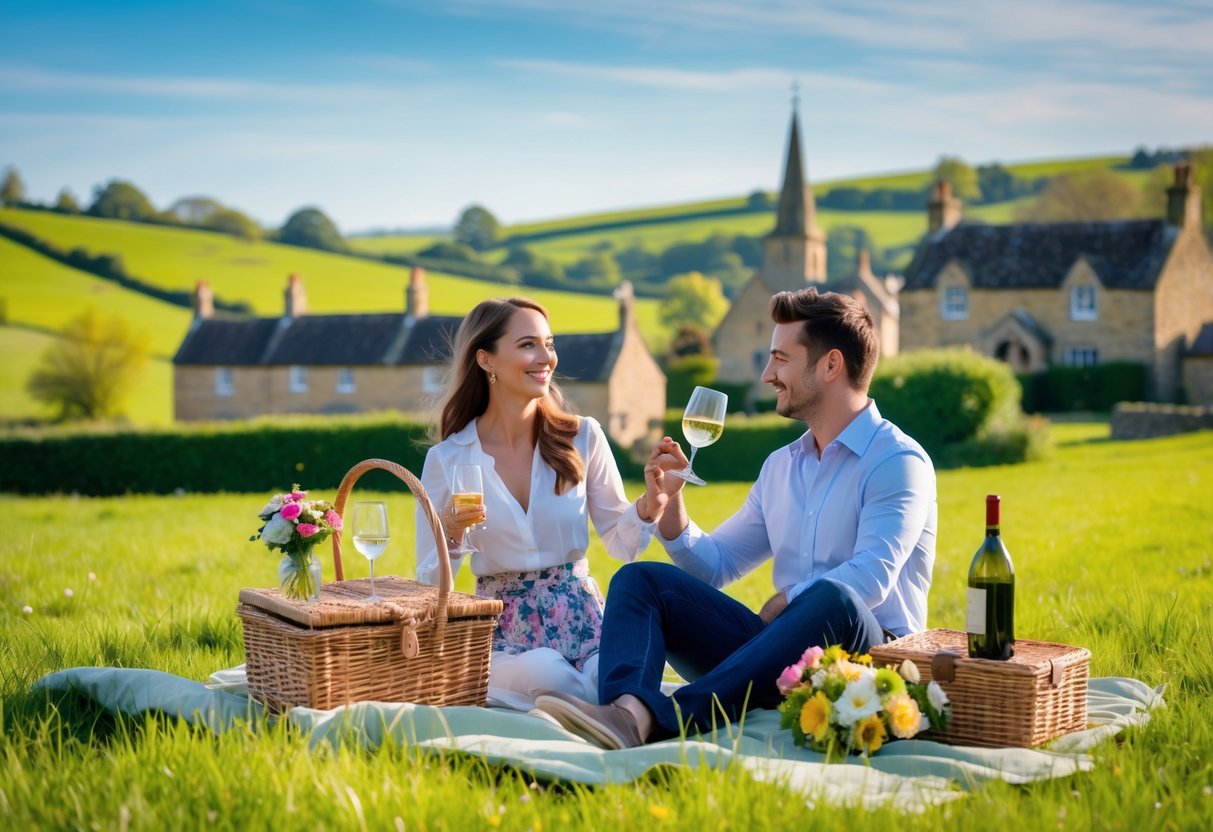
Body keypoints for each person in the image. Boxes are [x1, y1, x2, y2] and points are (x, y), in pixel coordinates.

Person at [535, 287, 937, 749]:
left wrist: (788, 600)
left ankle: (665, 717)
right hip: (777, 662)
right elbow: (717, 566)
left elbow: (872, 578)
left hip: (866, 666)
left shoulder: (897, 461)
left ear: (830, 365)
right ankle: (626, 714)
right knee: (640, 581)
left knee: (836, 599)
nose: (768, 375)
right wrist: (670, 508)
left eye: (781, 359)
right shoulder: (781, 466)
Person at [416, 297, 669, 709]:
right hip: (502, 632)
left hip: (584, 618)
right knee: (548, 674)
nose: (545, 358)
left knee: (610, 677)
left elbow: (623, 545)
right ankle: (599, 708)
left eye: (548, 344)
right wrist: (451, 530)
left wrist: (651, 504)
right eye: (528, 345)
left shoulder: (582, 437)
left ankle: (601, 705)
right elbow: (428, 583)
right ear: (486, 359)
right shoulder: (448, 458)